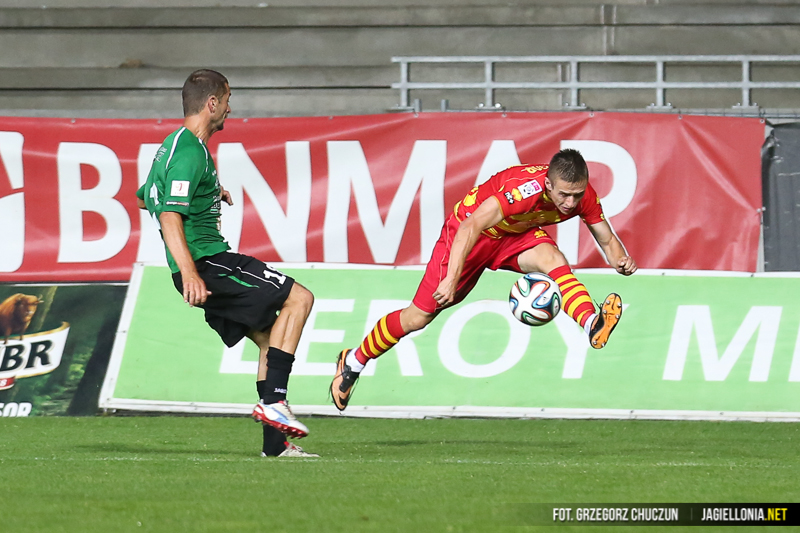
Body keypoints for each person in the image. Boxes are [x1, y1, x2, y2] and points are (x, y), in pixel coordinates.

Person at [330, 148, 637, 411]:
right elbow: (470, 225)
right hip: (471, 236)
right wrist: (451, 278)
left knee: (554, 260)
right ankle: (353, 361)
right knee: (418, 317)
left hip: (515, 235)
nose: (570, 203)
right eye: (564, 195)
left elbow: (607, 240)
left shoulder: (584, 197)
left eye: (577, 195)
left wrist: (620, 260)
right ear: (547, 184)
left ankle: (591, 323)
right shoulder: (523, 191)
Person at [136, 69, 318, 458]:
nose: (230, 108)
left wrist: (208, 191)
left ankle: (275, 446)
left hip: (197, 266)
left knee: (271, 338)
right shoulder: (189, 151)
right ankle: (276, 403)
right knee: (300, 299)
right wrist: (190, 272)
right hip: (206, 263)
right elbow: (168, 214)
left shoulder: (173, 146)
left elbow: (146, 195)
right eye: (228, 99)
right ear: (212, 102)